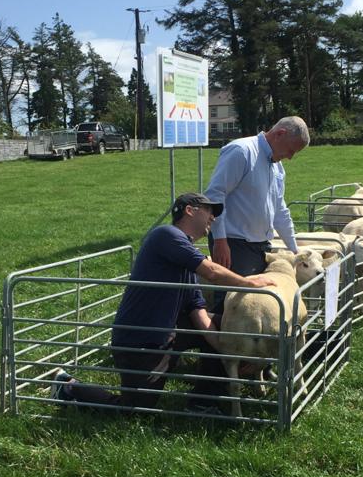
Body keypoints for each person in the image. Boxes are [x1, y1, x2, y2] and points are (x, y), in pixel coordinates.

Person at [50, 192, 276, 413]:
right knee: (137, 407)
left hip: (166, 334)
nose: (213, 218)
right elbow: (212, 273)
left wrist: (228, 350)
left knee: (225, 324)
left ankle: (203, 400)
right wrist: (250, 284)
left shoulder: (186, 256)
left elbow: (199, 312)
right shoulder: (166, 235)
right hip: (138, 340)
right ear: (189, 210)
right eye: (208, 211)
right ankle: (69, 386)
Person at [204, 116, 310, 295]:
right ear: (280, 134)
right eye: (291, 150)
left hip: (261, 246)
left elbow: (279, 208)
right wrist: (220, 240)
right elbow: (215, 194)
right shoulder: (241, 151)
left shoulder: (277, 166)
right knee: (234, 302)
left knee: (255, 301)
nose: (291, 157)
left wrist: (294, 249)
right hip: (233, 244)